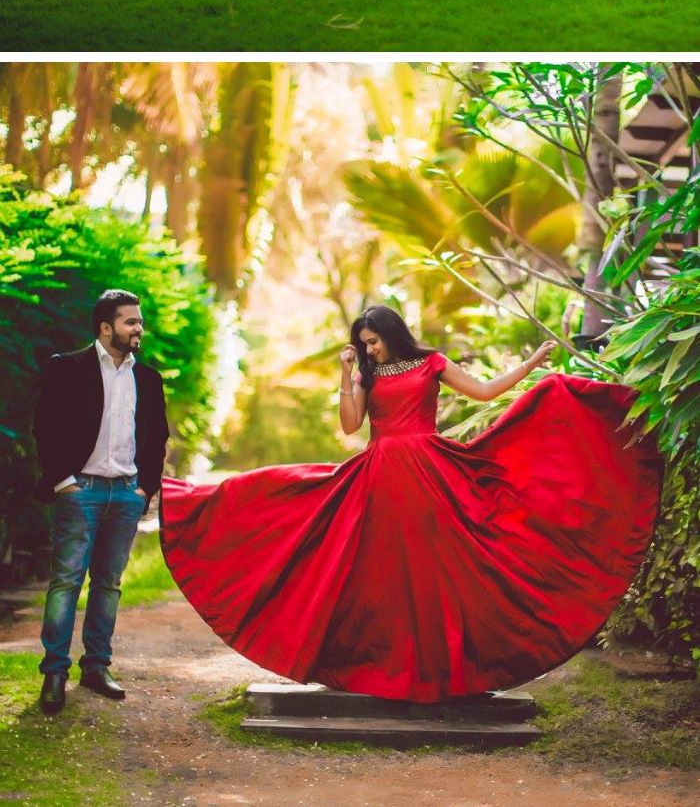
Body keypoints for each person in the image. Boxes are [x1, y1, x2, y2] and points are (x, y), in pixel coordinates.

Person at [159, 305, 662, 703]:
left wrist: (530, 366)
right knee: (372, 568)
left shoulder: (432, 362)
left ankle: (444, 673)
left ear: (390, 333)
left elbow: (485, 393)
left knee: (437, 569)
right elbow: (351, 426)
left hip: (430, 470)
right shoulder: (368, 374)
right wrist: (347, 375)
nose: (367, 349)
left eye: (371, 341)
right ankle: (381, 668)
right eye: (362, 344)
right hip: (380, 475)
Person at [33, 289, 169, 716]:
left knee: (108, 584)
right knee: (67, 582)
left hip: (125, 493)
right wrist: (63, 482)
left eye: (139, 322)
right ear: (106, 327)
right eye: (130, 322)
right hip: (81, 491)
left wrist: (145, 489)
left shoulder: (146, 378)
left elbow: (157, 436)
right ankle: (55, 671)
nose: (139, 329)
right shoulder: (68, 368)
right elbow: (45, 425)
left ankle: (96, 667)